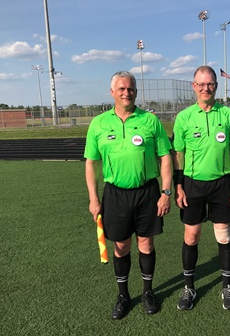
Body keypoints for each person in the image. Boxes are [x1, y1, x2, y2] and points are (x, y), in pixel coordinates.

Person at [84, 71, 172, 319]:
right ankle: (123, 295)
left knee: (146, 243)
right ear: (112, 92)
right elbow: (90, 163)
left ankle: (147, 292)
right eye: (121, 89)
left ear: (136, 91)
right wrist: (93, 198)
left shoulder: (150, 121)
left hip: (147, 192)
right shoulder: (99, 124)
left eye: (130, 89)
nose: (126, 93)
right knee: (121, 247)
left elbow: (165, 156)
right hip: (115, 195)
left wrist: (166, 192)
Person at [172, 65, 230, 310]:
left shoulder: (229, 115)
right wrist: (179, 186)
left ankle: (227, 286)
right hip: (192, 184)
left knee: (223, 234)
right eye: (201, 84)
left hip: (222, 183)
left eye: (210, 84)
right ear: (194, 86)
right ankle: (188, 287)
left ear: (216, 85)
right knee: (191, 236)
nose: (206, 88)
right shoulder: (183, 117)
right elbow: (178, 155)